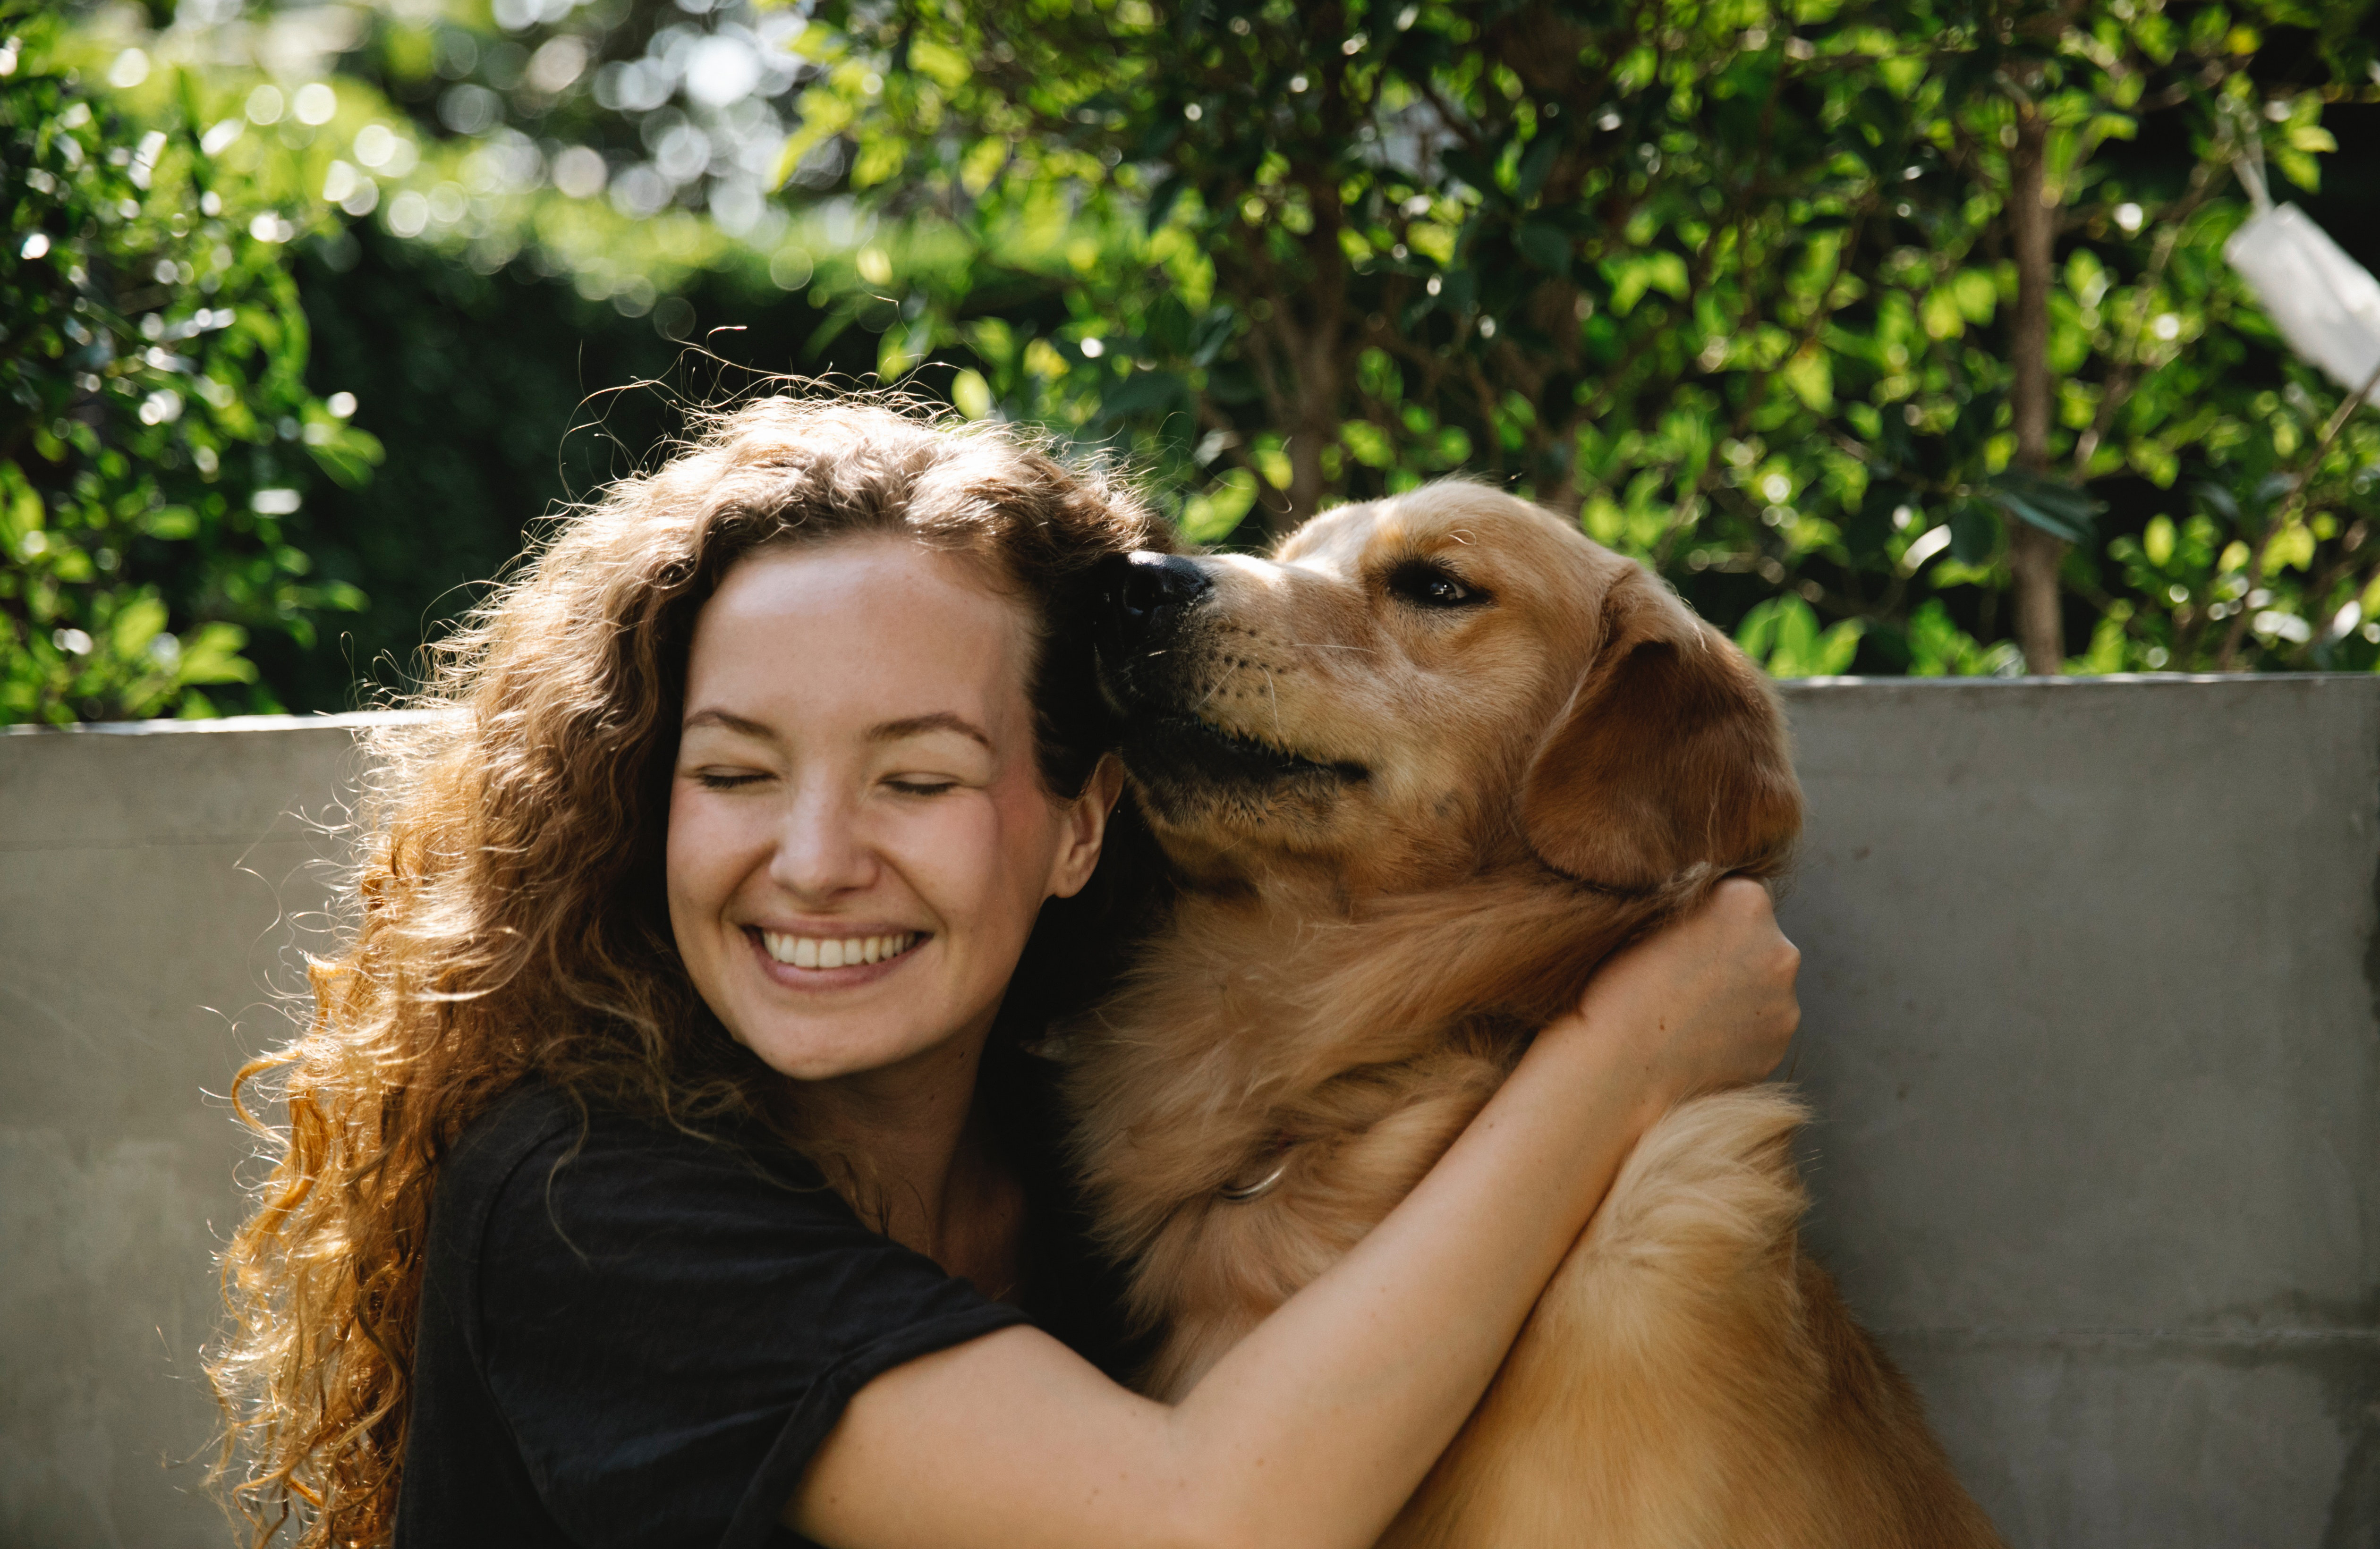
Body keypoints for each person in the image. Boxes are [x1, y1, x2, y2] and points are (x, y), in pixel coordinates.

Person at [209, 396, 1801, 1549]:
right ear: (645, 799)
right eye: (738, 774)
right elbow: (1199, 1525)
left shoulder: (1102, 1169)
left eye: (919, 779)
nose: (819, 860)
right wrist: (1627, 1054)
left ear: (1083, 828)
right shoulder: (585, 1207)